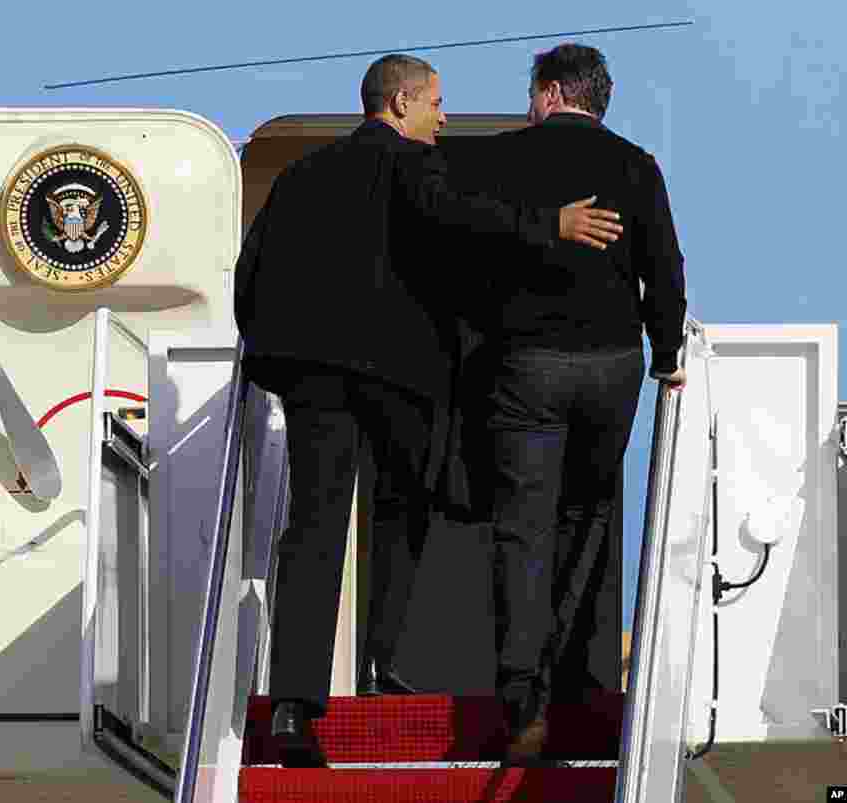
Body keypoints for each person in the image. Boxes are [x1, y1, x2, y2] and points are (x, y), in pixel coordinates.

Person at [233, 52, 623, 768]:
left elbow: (249, 273)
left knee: (314, 527)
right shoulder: (418, 168)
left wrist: (271, 347)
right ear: (401, 103)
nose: (443, 116)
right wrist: (552, 226)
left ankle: (293, 705)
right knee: (400, 514)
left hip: (311, 376)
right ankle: (381, 668)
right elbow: (469, 222)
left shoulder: (298, 177)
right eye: (437, 102)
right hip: (396, 378)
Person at [462, 43, 687, 766]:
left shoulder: (499, 161)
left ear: (553, 92)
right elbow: (665, 267)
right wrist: (669, 353)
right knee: (589, 516)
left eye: (532, 93)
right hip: (614, 367)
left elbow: (462, 248)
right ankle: (580, 682)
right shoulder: (637, 165)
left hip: (527, 365)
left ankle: (525, 701)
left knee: (521, 531)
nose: (529, 106)